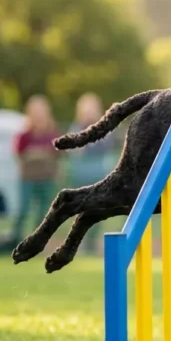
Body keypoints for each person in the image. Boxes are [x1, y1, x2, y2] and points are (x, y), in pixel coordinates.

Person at [66, 93, 114, 254]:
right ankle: (77, 243)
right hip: (79, 176)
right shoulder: (75, 128)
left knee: (97, 210)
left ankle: (92, 243)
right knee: (80, 211)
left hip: (98, 176)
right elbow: (74, 149)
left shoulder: (105, 126)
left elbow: (103, 146)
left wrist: (86, 147)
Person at [12, 95, 60, 243]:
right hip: (27, 178)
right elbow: (18, 153)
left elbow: (58, 153)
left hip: (46, 178)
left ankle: (38, 241)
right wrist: (38, 154)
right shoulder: (24, 135)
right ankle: (15, 239)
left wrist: (36, 154)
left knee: (44, 212)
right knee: (23, 209)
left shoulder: (52, 133)